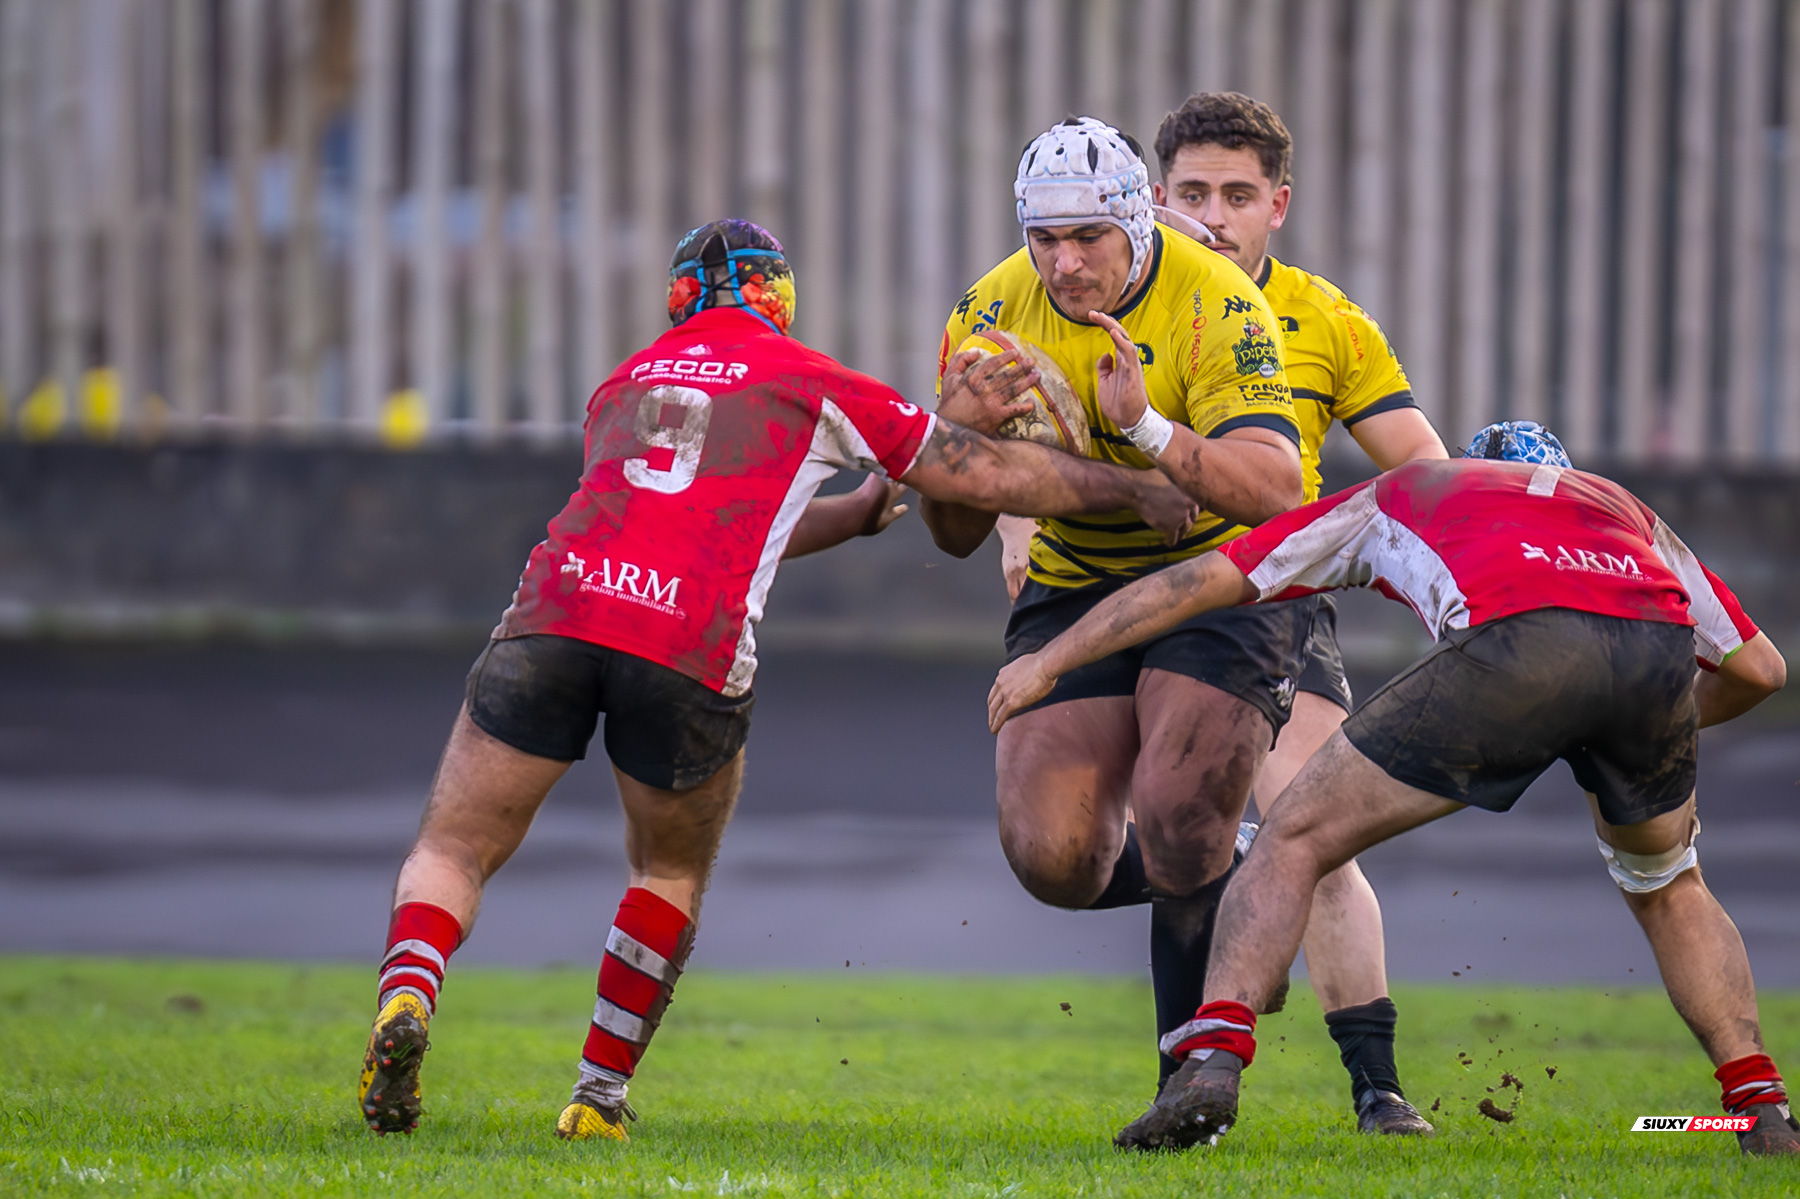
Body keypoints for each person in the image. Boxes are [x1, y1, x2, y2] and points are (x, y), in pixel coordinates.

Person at [355, 219, 1196, 1142]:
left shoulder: (622, 385)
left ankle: (407, 999)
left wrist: (864, 508)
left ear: (678, 301)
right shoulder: (813, 381)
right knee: (667, 865)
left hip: (554, 613)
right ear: (779, 300)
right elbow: (984, 471)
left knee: (454, 845)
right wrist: (1135, 488)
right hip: (684, 644)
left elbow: (715, 518)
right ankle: (596, 1096)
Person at [989, 420, 1797, 1157]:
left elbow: (1199, 581)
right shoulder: (1620, 506)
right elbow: (1760, 669)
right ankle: (1759, 1110)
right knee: (1669, 884)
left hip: (1515, 640)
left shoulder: (1415, 487)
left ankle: (1210, 1068)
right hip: (1651, 655)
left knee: (1293, 836)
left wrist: (1050, 660)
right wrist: (1625, 725)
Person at [921, 116, 1312, 1146]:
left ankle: (1188, 1086)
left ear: (1138, 218)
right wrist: (957, 444)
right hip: (1076, 579)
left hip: (1220, 581)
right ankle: (1238, 885)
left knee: (1180, 813)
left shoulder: (1219, 299)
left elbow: (1279, 491)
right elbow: (954, 530)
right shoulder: (989, 311)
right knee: (1051, 856)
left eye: (1088, 234)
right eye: (1044, 237)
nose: (1064, 260)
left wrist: (1148, 432)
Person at [1130, 90, 1452, 1134]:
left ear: (1279, 204)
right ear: (1152, 199)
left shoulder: (1326, 318)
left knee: (1318, 834)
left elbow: (1427, 472)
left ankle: (1379, 1091)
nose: (1212, 216)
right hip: (1118, 594)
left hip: (1269, 608)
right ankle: (1202, 1035)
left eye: (1235, 194)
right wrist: (1008, 532)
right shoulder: (1111, 298)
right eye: (1190, 193)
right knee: (1118, 839)